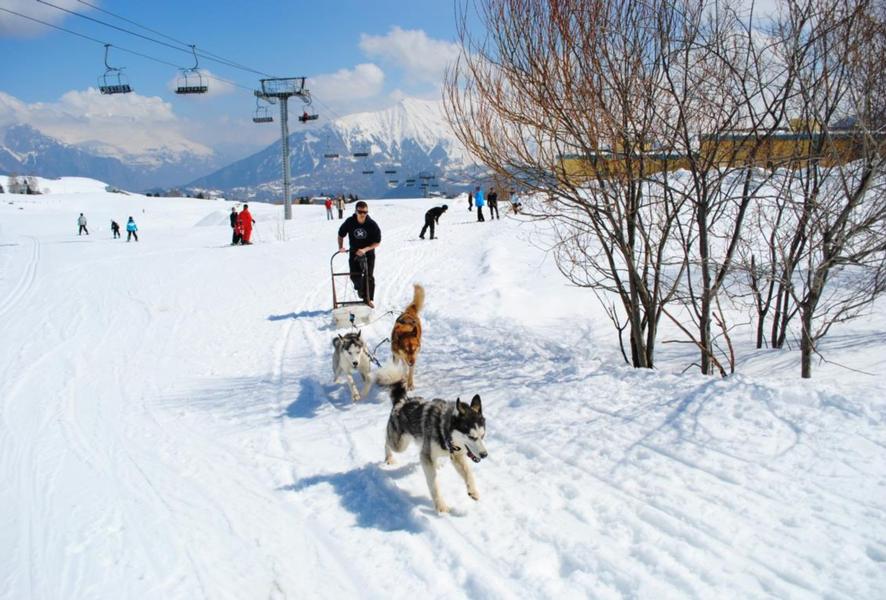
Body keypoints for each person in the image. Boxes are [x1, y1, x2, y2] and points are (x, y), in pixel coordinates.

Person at [337, 201, 381, 308]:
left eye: (365, 212)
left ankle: (368, 299)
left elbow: (377, 242)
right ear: (356, 211)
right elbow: (340, 234)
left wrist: (365, 249)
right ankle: (361, 291)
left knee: (368, 276)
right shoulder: (350, 222)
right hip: (354, 253)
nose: (363, 214)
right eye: (360, 212)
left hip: (368, 253)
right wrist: (340, 247)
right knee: (354, 276)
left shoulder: (372, 224)